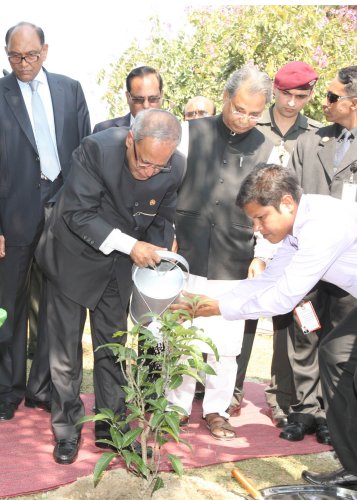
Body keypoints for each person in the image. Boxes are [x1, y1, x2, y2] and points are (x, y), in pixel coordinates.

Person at [173, 163, 357, 489]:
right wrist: (208, 300)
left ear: (286, 203)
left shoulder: (321, 226)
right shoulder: (297, 225)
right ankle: (354, 468)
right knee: (335, 354)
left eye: (261, 218)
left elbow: (284, 297)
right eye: (252, 220)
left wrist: (215, 308)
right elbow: (269, 279)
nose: (256, 228)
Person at [35, 108, 185, 465]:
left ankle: (113, 429)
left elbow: (163, 217)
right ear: (131, 140)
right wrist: (132, 246)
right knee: (65, 354)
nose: (150, 172)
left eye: (158, 168)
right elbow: (78, 213)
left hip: (118, 269)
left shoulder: (174, 166)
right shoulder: (96, 149)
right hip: (70, 257)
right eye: (145, 162)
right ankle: (67, 429)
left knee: (113, 349)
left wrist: (163, 254)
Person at [166, 65, 274, 440]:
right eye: (239, 108)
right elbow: (167, 188)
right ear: (226, 97)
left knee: (226, 347)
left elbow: (273, 206)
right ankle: (175, 406)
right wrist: (168, 235)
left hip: (235, 256)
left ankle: (216, 409)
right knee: (181, 338)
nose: (244, 119)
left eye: (254, 113)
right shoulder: (189, 134)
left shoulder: (269, 147)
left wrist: (262, 255)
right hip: (187, 251)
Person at [0, 21, 91, 421]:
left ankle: (44, 387)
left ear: (46, 51)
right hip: (13, 212)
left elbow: (85, 153)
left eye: (31, 55)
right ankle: (8, 388)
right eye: (15, 56)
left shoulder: (70, 90)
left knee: (58, 303)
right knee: (10, 303)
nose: (23, 63)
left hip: (64, 209)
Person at [235, 61, 321, 429]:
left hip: (294, 238)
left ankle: (281, 398)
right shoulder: (254, 123)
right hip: (249, 234)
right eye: (285, 94)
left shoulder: (316, 134)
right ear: (273, 92)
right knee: (245, 314)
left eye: (302, 96)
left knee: (290, 320)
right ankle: (232, 389)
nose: (292, 102)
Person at [281, 65, 357, 447]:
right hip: (308, 267)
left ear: (353, 102)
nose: (322, 103)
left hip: (348, 273)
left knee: (340, 344)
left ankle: (333, 413)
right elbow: (287, 199)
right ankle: (305, 409)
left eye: (330, 97)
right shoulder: (311, 142)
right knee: (306, 332)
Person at [93, 66, 163, 133]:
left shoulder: (173, 130)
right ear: (128, 97)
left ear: (161, 95)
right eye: (138, 99)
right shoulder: (103, 131)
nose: (146, 105)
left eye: (153, 99)